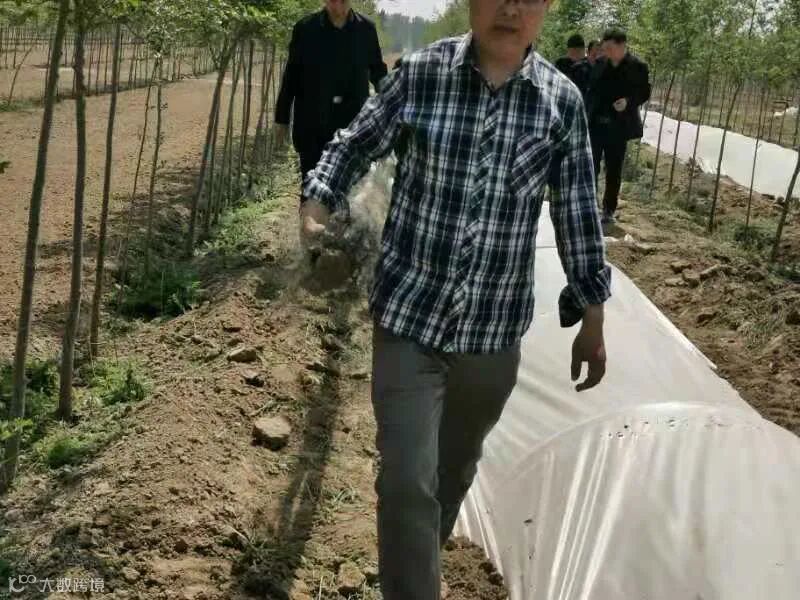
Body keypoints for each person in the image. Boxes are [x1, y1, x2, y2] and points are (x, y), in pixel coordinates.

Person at [300, 0, 611, 597]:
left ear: (546, 7)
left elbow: (577, 213)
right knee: (405, 481)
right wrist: (316, 204)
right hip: (408, 316)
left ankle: (414, 563)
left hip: (491, 334)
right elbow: (353, 143)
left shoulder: (560, 102)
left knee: (451, 474)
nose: (511, 8)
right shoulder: (422, 75)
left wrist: (591, 316)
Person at [274, 0, 388, 183]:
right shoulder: (305, 29)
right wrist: (282, 118)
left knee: (350, 193)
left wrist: (392, 108)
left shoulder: (366, 30)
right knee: (312, 191)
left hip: (352, 131)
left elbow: (378, 73)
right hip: (312, 129)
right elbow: (291, 76)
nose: (338, 5)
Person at [586, 27, 650, 225]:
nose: (606, 52)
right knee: (590, 166)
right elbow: (591, 90)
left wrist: (628, 102)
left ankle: (608, 210)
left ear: (622, 45)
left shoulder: (638, 67)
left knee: (614, 169)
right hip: (596, 125)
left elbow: (644, 92)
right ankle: (589, 205)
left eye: (610, 48)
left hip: (618, 127)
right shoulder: (599, 64)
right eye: (604, 48)